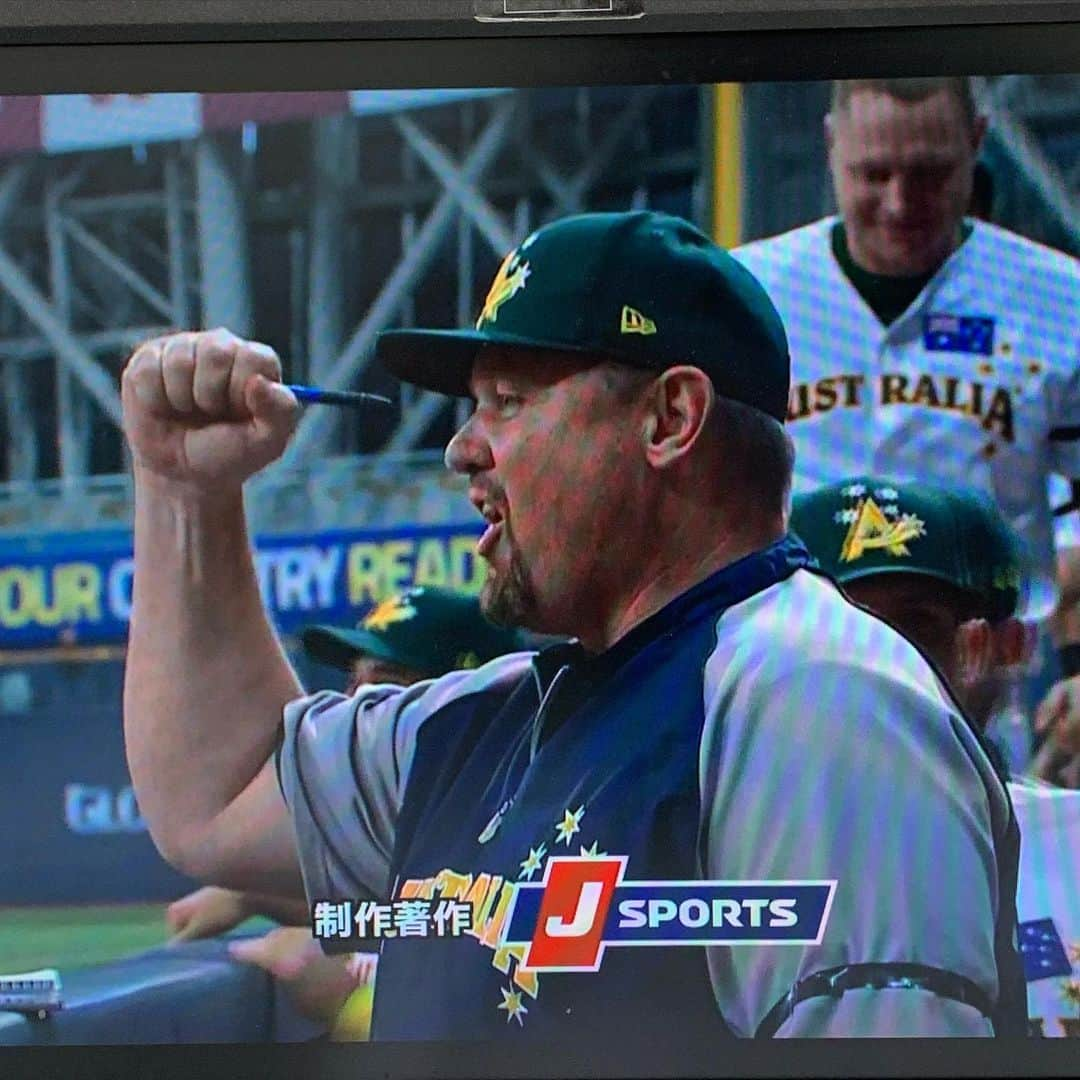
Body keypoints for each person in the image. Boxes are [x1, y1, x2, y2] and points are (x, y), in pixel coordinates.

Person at [121, 209, 1025, 1040]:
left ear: (670, 418)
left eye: (508, 400)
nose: (463, 448)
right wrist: (183, 490)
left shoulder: (817, 703)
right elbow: (219, 795)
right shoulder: (496, 715)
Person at [732, 77, 1080, 769]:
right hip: (788, 671)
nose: (898, 202)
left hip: (993, 680)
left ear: (977, 144)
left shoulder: (1059, 298)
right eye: (873, 174)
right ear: (833, 148)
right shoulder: (752, 292)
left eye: (929, 174)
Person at [165, 585, 525, 1040]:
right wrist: (254, 897)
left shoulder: (528, 825)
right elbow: (420, 907)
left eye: (386, 682)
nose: (356, 704)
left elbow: (501, 976)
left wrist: (350, 996)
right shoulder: (443, 834)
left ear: (465, 696)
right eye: (353, 680)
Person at [790, 475, 1080, 1036]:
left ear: (1009, 647)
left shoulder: (1073, 847)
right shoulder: (714, 865)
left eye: (913, 628)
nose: (873, 658)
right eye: (838, 621)